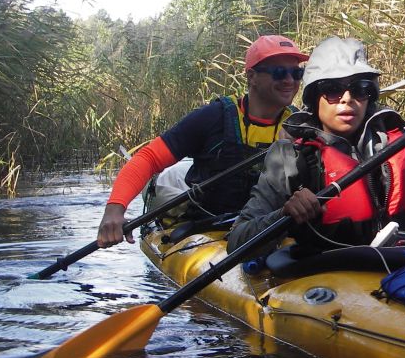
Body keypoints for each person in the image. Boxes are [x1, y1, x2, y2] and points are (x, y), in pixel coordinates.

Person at [227, 35, 405, 256]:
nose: (347, 99)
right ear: (313, 97)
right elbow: (238, 240)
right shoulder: (290, 156)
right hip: (340, 277)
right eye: (333, 89)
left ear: (370, 95)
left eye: (360, 89)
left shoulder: (397, 138)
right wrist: (284, 214)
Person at [97, 35, 309, 248]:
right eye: (279, 72)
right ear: (252, 76)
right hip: (207, 229)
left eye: (296, 72)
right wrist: (114, 210)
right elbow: (148, 158)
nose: (290, 80)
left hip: (265, 230)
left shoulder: (302, 125)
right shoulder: (212, 117)